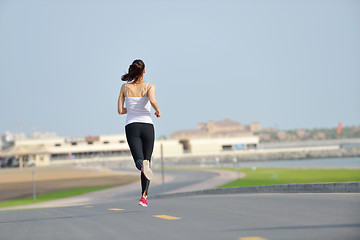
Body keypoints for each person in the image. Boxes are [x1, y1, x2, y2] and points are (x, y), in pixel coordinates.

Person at [117, 59, 161, 207]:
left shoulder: (124, 87)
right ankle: (144, 197)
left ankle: (142, 166)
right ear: (144, 71)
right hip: (148, 126)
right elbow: (153, 100)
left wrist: (132, 108)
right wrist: (158, 111)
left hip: (132, 126)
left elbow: (120, 111)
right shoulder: (150, 86)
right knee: (147, 162)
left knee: (140, 162)